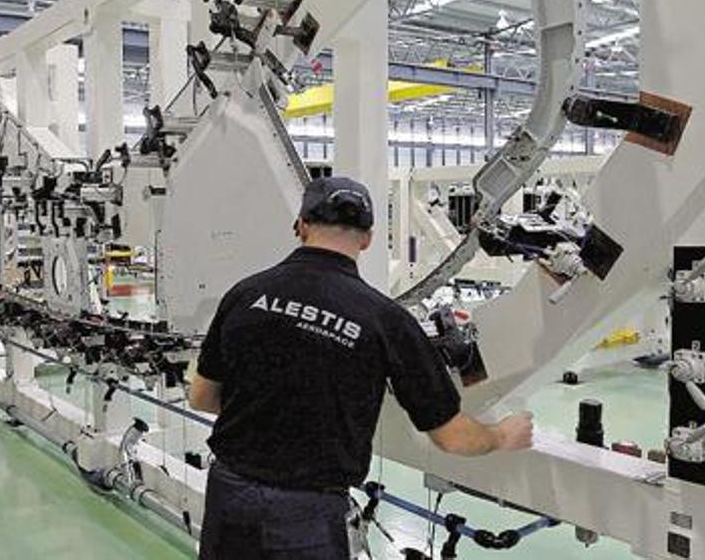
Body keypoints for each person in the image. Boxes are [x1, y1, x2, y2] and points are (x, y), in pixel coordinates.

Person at [189, 176, 533, 560]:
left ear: (300, 226)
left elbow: (201, 397)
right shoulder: (385, 320)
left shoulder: (244, 295)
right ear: (368, 238)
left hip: (229, 497)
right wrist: (502, 435)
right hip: (310, 514)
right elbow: (451, 438)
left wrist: (269, 411)